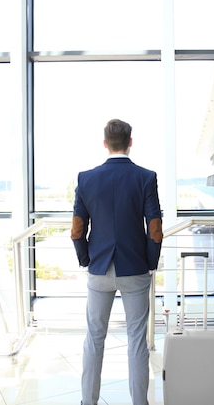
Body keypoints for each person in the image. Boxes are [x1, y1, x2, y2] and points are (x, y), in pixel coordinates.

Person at [71, 119, 163, 405]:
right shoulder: (146, 177)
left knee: (94, 338)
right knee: (137, 340)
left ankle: (88, 402)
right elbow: (155, 228)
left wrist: (86, 259)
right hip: (134, 268)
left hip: (99, 269)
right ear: (130, 142)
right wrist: (150, 262)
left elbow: (76, 229)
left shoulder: (86, 178)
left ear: (105, 143)